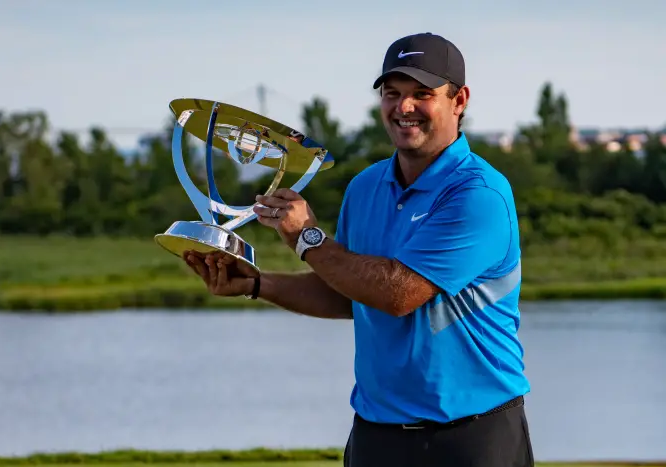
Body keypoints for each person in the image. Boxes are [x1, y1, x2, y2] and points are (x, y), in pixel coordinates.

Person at [183, 32, 534, 467]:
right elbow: (350, 293)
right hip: (376, 434)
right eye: (392, 93)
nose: (403, 108)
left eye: (422, 94)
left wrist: (305, 236)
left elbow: (398, 295)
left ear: (459, 100)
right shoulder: (365, 186)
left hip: (473, 437)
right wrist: (258, 283)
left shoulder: (478, 195)